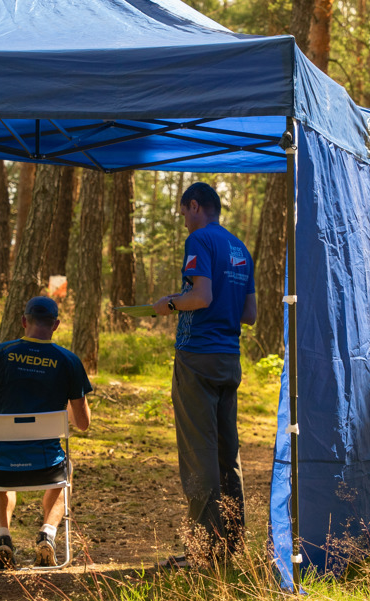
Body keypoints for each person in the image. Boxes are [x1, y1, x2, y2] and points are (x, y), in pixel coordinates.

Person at [151, 182, 257, 566]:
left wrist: (170, 303)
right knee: (228, 455)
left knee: (199, 455)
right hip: (229, 359)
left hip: (197, 358)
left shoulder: (200, 241)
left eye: (183, 213)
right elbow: (250, 314)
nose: (184, 221)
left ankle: (201, 552)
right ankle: (231, 544)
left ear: (195, 206)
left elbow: (201, 297)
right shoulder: (239, 248)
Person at [0, 296, 91, 569]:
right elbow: (82, 423)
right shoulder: (69, 361)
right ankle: (47, 533)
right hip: (45, 467)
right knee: (66, 471)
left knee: (0, 480)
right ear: (56, 325)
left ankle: (2, 537)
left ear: (24, 321)